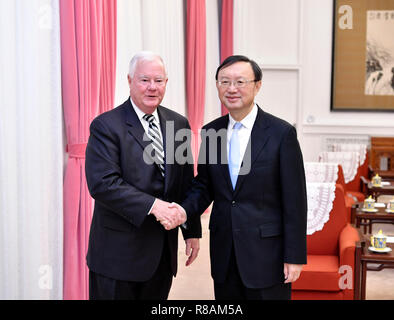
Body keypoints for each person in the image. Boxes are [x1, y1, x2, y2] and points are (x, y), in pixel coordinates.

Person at [178, 55, 307, 300]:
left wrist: (295, 256)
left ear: (257, 85)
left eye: (240, 82)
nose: (232, 89)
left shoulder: (281, 134)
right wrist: (183, 212)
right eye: (224, 82)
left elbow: (295, 201)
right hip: (225, 251)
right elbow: (204, 185)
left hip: (268, 254)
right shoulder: (211, 132)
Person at [85, 51, 201, 300]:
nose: (152, 87)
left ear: (167, 83)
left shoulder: (178, 124)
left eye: (158, 81)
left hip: (161, 256)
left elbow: (185, 182)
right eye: (144, 80)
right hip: (117, 257)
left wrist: (191, 230)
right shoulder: (106, 125)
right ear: (129, 81)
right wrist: (153, 206)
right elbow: (103, 184)